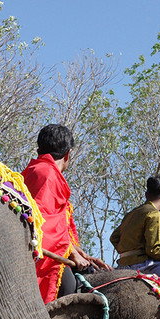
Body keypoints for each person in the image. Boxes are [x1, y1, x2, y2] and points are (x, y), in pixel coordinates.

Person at [22, 124, 111, 302]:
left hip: (47, 252)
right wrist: (74, 255)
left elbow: (56, 227)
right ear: (68, 154)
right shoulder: (47, 175)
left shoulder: (32, 171)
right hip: (44, 260)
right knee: (72, 294)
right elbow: (44, 225)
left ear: (39, 149)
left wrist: (84, 255)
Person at [110, 174, 160, 287]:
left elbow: (113, 237)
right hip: (141, 265)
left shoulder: (131, 214)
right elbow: (153, 250)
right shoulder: (155, 215)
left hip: (122, 265)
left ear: (146, 195)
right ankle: (144, 286)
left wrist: (127, 252)